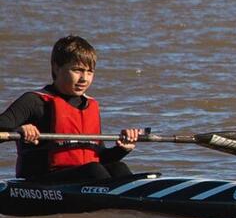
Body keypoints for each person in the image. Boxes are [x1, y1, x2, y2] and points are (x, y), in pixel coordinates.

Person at [1, 35, 141, 184]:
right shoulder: (34, 101)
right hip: (41, 182)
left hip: (84, 178)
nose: (84, 79)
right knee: (93, 170)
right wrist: (18, 129)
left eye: (89, 72)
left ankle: (140, 202)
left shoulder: (90, 105)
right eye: (77, 70)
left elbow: (99, 157)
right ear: (56, 67)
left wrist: (122, 149)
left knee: (118, 168)